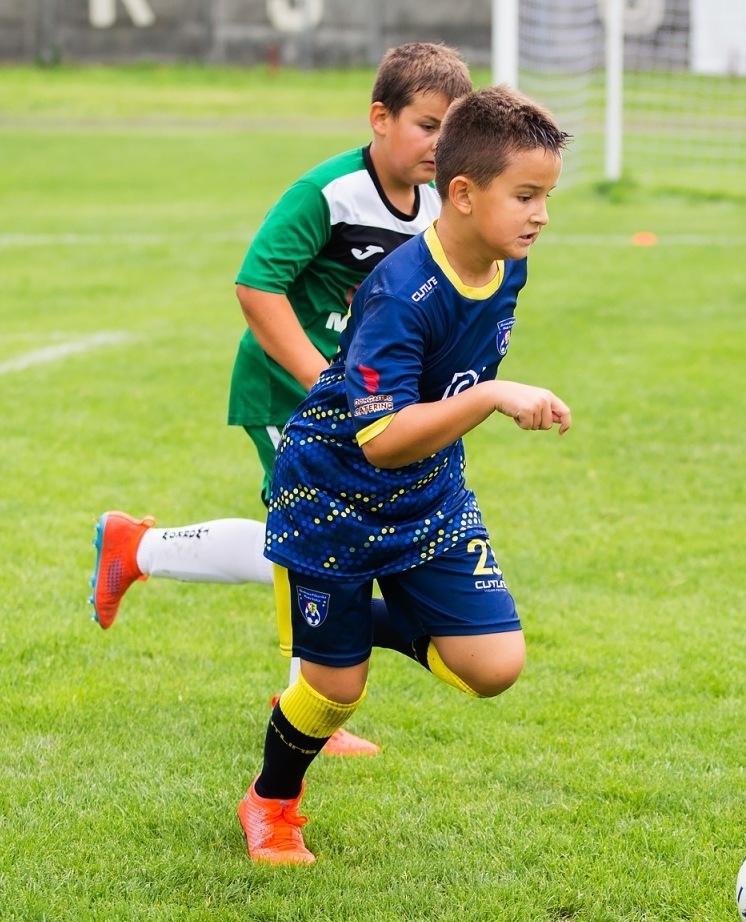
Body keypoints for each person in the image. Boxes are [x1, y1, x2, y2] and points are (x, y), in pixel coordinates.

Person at [90, 43, 475, 757]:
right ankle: (305, 701)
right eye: (426, 126)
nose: (437, 144)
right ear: (380, 118)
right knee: (310, 540)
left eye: (448, 132)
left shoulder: (433, 207)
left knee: (305, 541)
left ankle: (136, 549)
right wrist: (323, 382)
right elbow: (256, 286)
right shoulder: (329, 193)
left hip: (353, 401)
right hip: (285, 392)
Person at [236, 85, 572, 865]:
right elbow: (382, 439)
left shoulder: (505, 265)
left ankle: (348, 623)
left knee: (493, 667)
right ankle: (271, 804)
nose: (541, 216)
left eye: (547, 198)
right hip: (334, 497)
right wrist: (490, 397)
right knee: (334, 689)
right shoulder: (399, 291)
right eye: (525, 196)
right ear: (464, 194)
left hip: (428, 492)